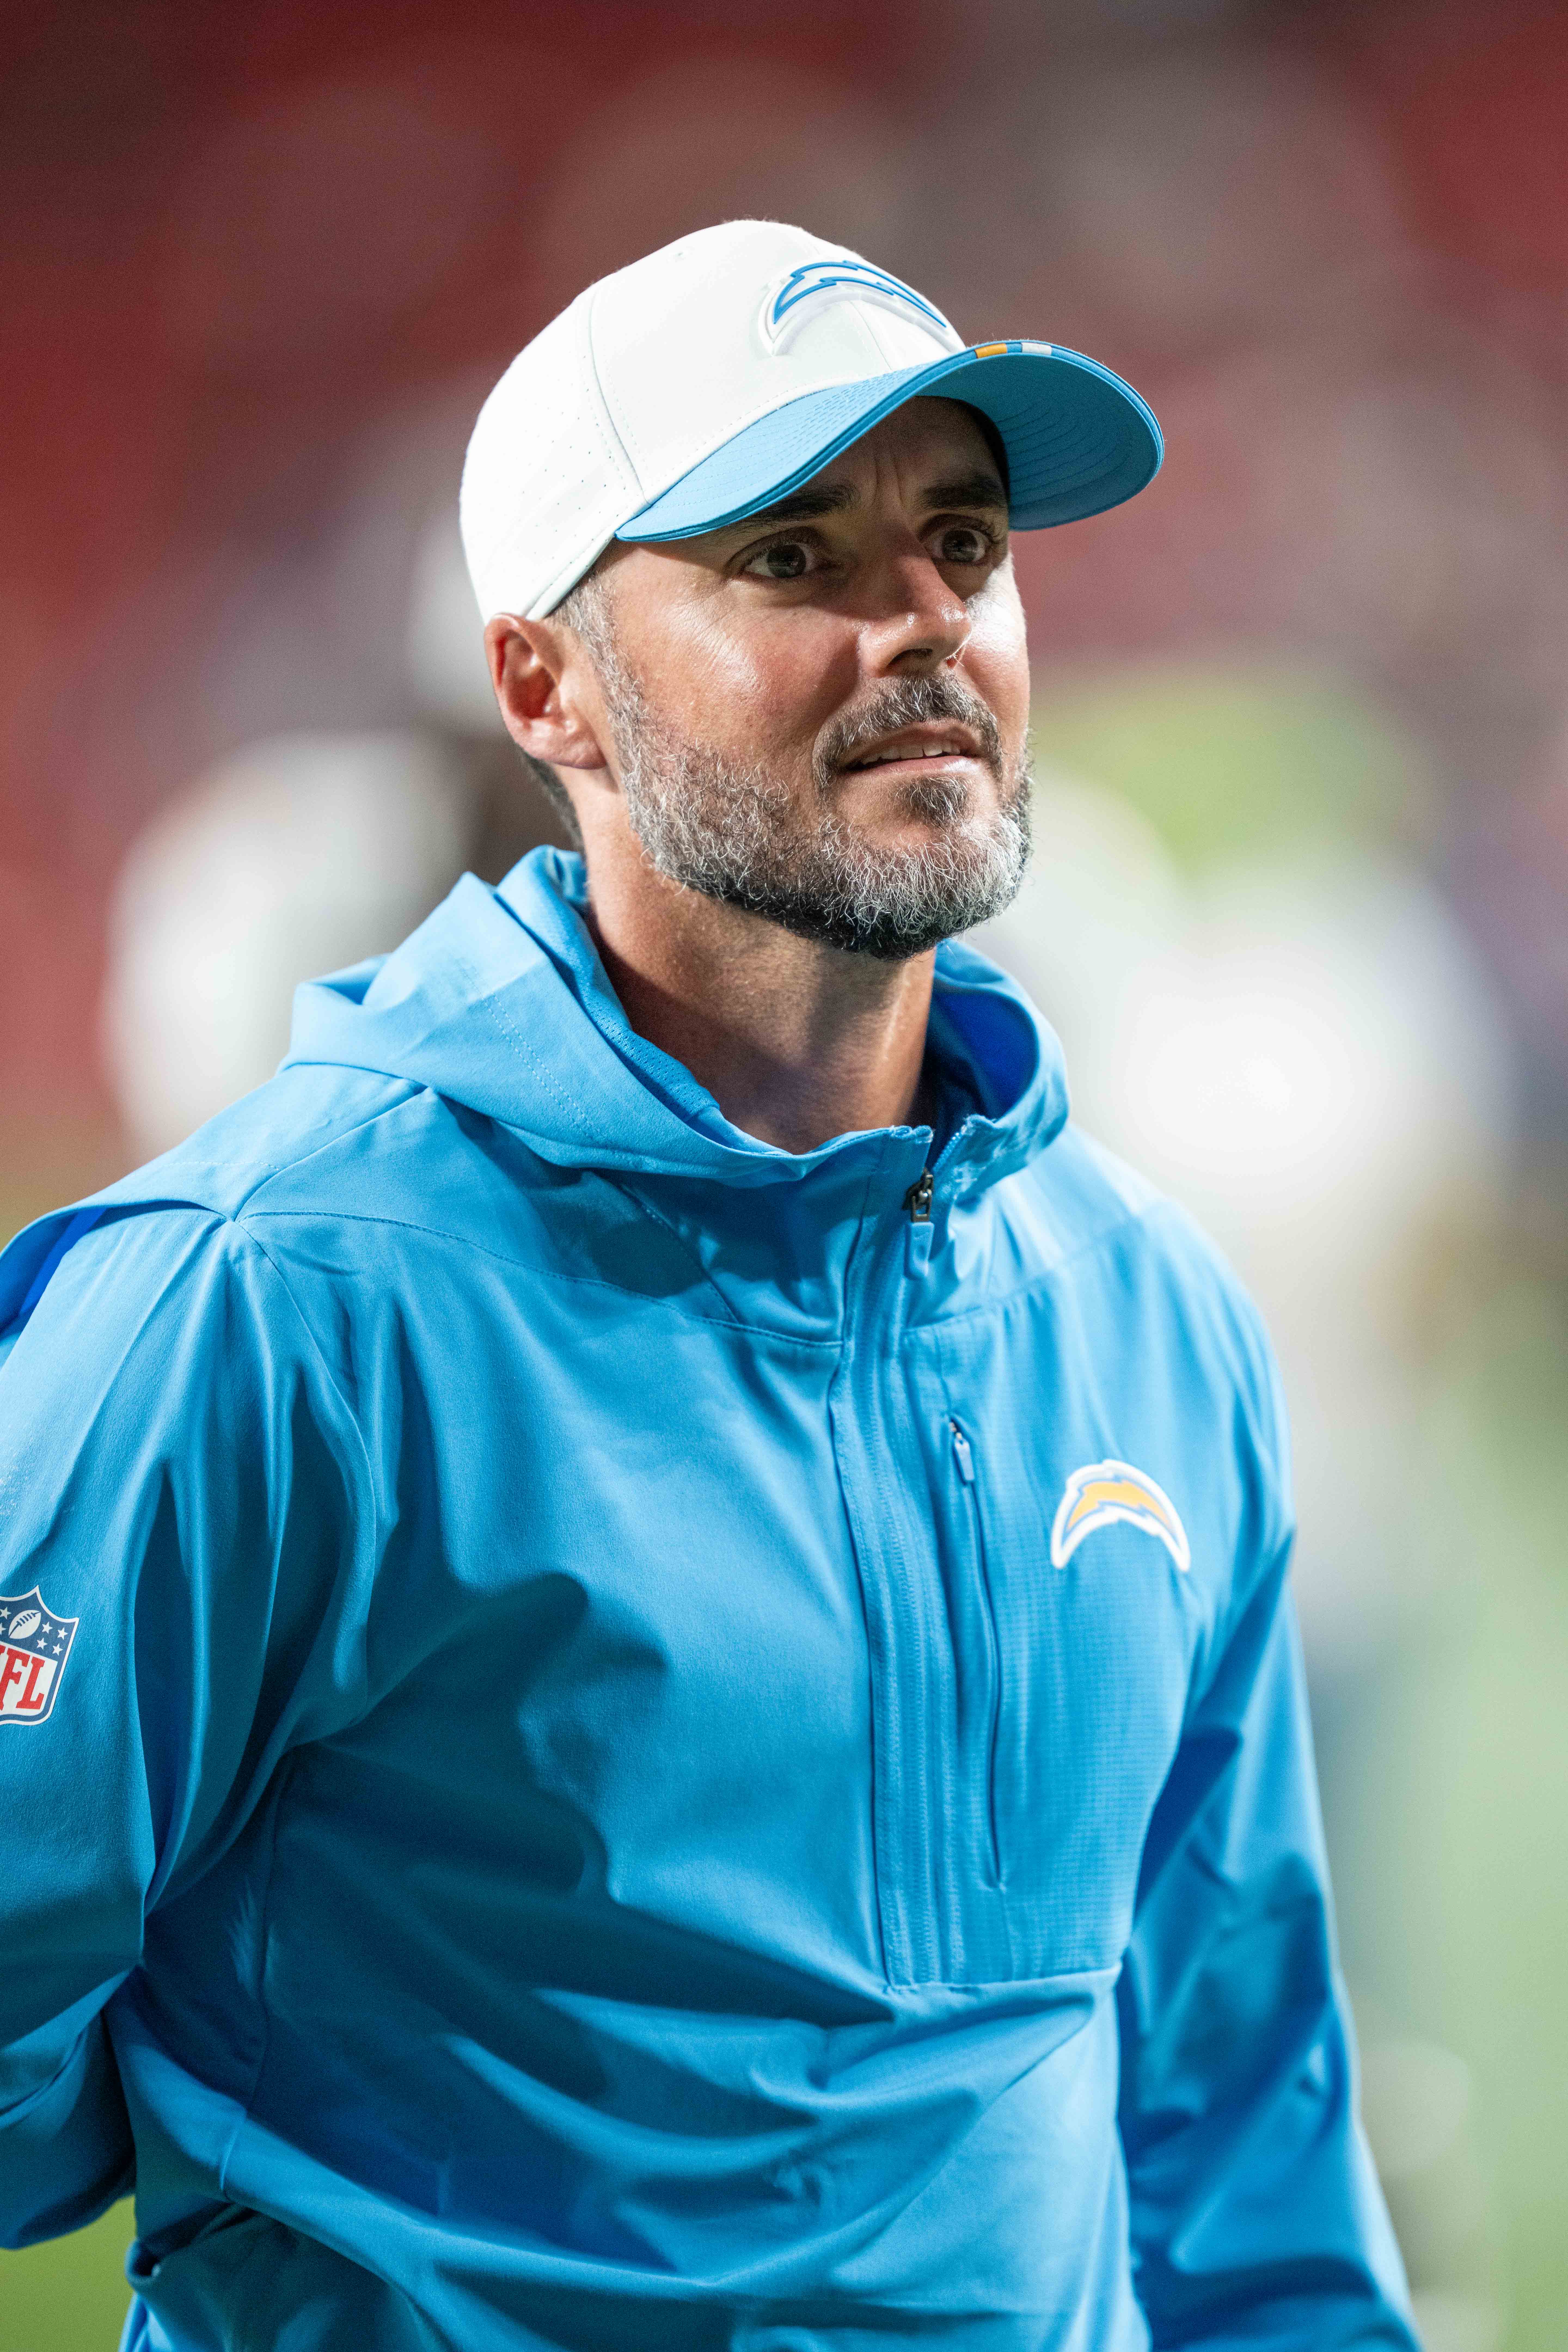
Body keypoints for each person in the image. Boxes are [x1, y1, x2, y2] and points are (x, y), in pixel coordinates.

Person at [0, 220, 1418, 2351]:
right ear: (540, 686)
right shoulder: (272, 1307)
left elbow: (1234, 2141)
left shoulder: (1144, 1311)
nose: (921, 624)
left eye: (965, 544)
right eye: (794, 558)